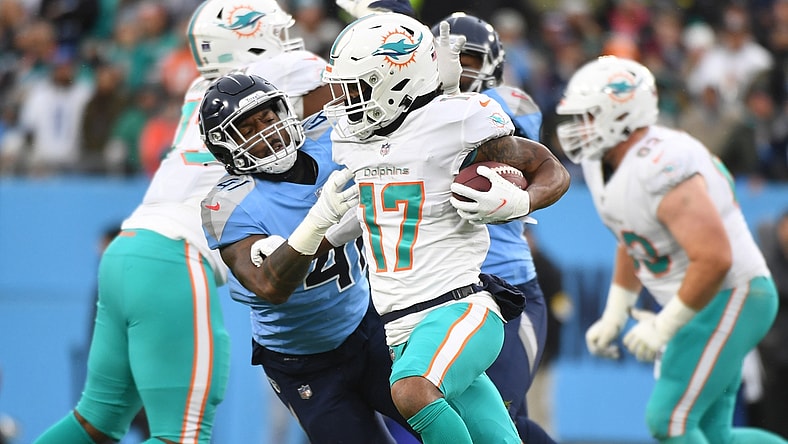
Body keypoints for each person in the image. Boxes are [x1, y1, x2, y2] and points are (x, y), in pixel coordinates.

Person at [35, 0, 310, 441]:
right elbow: (369, 83)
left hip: (128, 249)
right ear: (250, 45)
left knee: (96, 422)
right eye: (273, 37)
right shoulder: (284, 72)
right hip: (175, 258)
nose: (288, 45)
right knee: (182, 434)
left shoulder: (199, 90)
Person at [321, 12, 570, 443]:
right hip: (401, 327)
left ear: (397, 80)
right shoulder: (352, 138)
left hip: (458, 308)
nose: (347, 101)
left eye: (357, 88)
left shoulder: (456, 122)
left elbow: (549, 166)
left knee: (412, 391)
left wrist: (524, 199)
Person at [555, 55, 786, 444]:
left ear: (623, 114)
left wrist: (665, 325)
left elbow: (715, 258)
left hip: (732, 293)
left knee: (669, 421)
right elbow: (631, 238)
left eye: (590, 116)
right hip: (703, 302)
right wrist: (615, 312)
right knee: (714, 435)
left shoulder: (662, 161)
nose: (580, 128)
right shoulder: (602, 164)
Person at [198, 72, 416, 443]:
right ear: (225, 148)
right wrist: (325, 230)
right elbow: (269, 285)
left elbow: (391, 100)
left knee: (448, 421)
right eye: (248, 129)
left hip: (366, 325)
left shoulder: (329, 136)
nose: (266, 132)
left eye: (268, 118)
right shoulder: (229, 204)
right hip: (302, 364)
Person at [430, 12, 555, 443]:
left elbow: (504, 143)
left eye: (469, 56)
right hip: (436, 288)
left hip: (506, 285)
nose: (461, 66)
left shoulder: (506, 104)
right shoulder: (415, 114)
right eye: (452, 57)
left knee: (501, 413)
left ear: (493, 62)